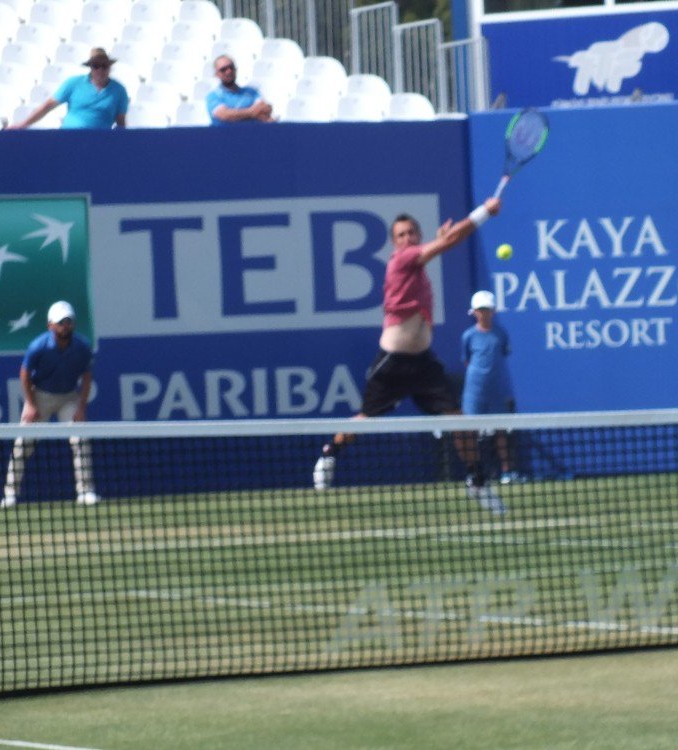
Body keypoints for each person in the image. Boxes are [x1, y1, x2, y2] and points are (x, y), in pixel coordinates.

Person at [314, 198, 506, 514]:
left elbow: (445, 242)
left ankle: (477, 481)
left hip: (424, 364)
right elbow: (452, 241)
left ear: (418, 236)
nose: (407, 238)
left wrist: (442, 239)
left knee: (459, 421)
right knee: (365, 419)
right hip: (393, 362)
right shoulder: (400, 261)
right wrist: (484, 212)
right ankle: (329, 454)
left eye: (412, 233)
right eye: (401, 234)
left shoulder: (419, 269)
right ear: (394, 242)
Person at [0, 301, 98, 508]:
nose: (65, 326)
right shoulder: (38, 346)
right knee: (22, 445)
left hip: (69, 398)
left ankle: (86, 492)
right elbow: (25, 374)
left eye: (69, 322)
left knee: (80, 440)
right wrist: (30, 403)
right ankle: (9, 495)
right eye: (61, 323)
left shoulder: (82, 346)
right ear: (50, 326)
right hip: (41, 397)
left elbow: (87, 376)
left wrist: (81, 407)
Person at [461, 290, 520, 483]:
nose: (484, 313)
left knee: (500, 431)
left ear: (493, 311)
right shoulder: (468, 336)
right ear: (474, 312)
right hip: (474, 392)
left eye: (487, 309)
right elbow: (467, 361)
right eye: (480, 310)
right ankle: (475, 474)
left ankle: (506, 472)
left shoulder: (500, 334)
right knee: (471, 433)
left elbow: (502, 356)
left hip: (496, 391)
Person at [7, 48, 128, 130]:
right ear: (90, 68)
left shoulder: (119, 91)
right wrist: (23, 125)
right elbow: (48, 106)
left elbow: (120, 122)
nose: (100, 70)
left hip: (98, 142)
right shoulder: (74, 83)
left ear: (109, 68)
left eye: (104, 66)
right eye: (96, 66)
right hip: (70, 137)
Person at [206, 55, 274, 125]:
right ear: (217, 74)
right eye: (223, 69)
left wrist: (239, 114)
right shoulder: (214, 96)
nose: (229, 71)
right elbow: (224, 115)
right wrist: (252, 112)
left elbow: (265, 109)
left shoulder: (251, 92)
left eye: (231, 67)